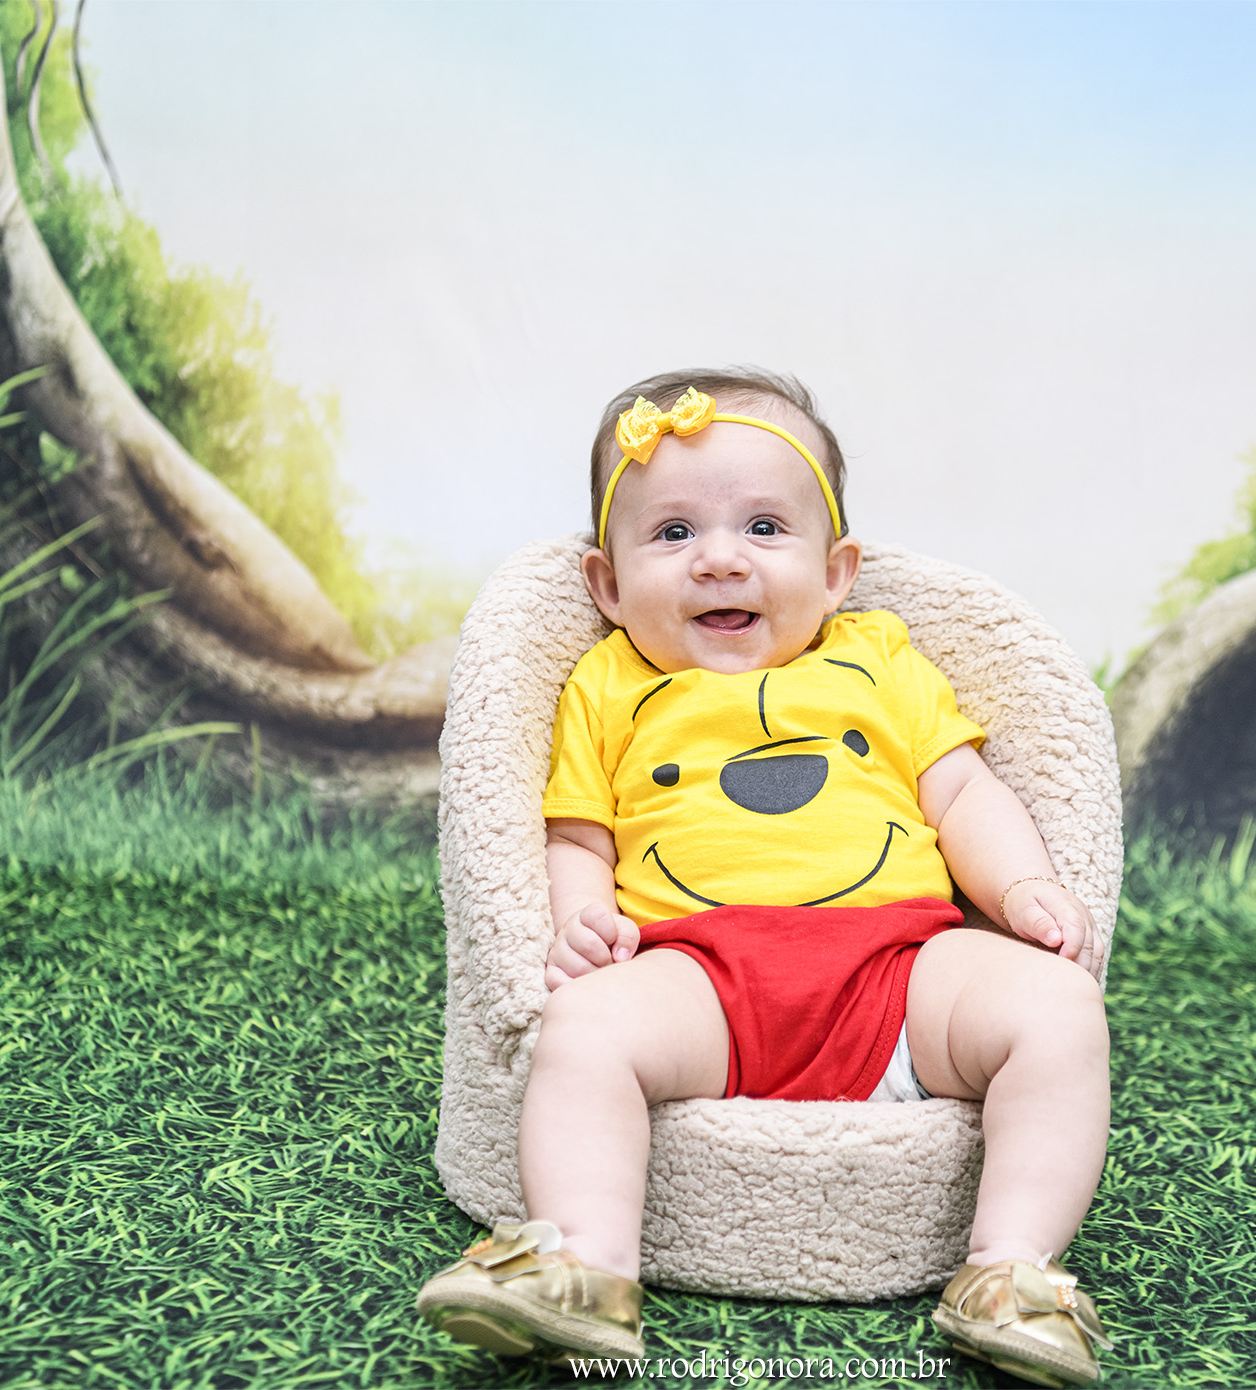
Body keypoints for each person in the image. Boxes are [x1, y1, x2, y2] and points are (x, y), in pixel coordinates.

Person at [416, 369, 1113, 1386]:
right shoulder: (607, 684)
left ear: (836, 573)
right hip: (698, 978)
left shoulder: (878, 658)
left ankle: (1011, 1270)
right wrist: (583, 921)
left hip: (899, 970)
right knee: (585, 1028)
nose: (720, 559)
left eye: (764, 528)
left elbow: (964, 792)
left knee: (1058, 1008)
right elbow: (575, 838)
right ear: (607, 587)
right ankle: (585, 1266)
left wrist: (1021, 890)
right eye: (672, 534)